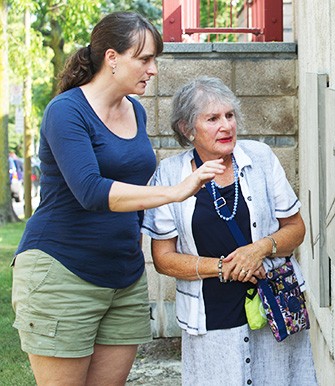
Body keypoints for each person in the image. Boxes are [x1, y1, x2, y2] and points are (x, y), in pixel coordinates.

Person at [11, 12, 226, 386]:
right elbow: (92, 191)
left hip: (124, 276)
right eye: (144, 59)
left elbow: (131, 181)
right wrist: (174, 192)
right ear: (112, 58)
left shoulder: (135, 112)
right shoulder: (66, 112)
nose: (153, 69)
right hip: (62, 273)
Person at [141, 76, 318, 385]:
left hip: (273, 308)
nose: (226, 125)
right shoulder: (170, 176)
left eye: (230, 115)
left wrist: (259, 249)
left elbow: (296, 228)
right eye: (212, 118)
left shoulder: (261, 159)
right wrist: (223, 267)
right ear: (187, 129)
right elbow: (164, 258)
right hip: (210, 317)